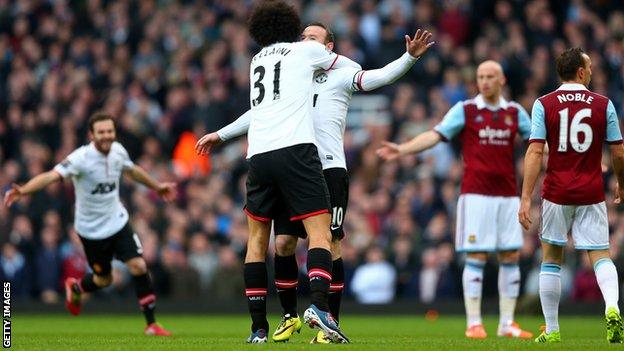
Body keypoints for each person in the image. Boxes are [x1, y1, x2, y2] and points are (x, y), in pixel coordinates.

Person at [197, 23, 433, 343]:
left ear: (329, 46)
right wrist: (222, 134)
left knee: (330, 242)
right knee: (283, 244)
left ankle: (328, 319)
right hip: (292, 167)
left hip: (329, 168)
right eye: (304, 37)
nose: (306, 41)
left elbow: (377, 77)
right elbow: (259, 112)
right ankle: (289, 316)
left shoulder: (342, 72)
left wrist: (409, 58)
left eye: (314, 38)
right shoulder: (293, 72)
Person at [197, 1, 359, 343]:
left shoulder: (258, 60)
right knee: (321, 234)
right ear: (292, 28)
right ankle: (318, 307)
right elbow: (349, 68)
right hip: (296, 152)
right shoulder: (305, 53)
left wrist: (222, 134)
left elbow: (259, 111)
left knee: (258, 243)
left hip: (258, 156)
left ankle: (258, 329)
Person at [377, 60, 533, 339]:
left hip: (508, 196)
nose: (484, 81)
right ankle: (474, 322)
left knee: (510, 254)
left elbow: (538, 145)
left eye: (490, 76)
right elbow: (434, 135)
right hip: (475, 195)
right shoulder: (466, 110)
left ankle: (507, 323)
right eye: (480, 76)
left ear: (502, 80)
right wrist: (402, 149)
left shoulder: (514, 113)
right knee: (477, 255)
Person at [3, 112, 176, 336]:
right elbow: (52, 176)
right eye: (101, 132)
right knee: (105, 279)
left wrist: (157, 186)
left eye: (110, 131)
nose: (106, 136)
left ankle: (151, 324)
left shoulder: (118, 151)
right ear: (91, 135)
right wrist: (24, 190)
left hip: (118, 221)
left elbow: (132, 171)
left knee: (139, 266)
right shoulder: (80, 158)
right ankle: (76, 286)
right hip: (91, 231)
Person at [519, 47, 624, 344]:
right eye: (589, 66)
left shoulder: (543, 104)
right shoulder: (603, 104)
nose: (591, 71)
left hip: (556, 192)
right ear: (580, 71)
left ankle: (552, 330)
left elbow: (535, 150)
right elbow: (618, 150)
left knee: (551, 258)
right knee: (600, 254)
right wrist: (621, 182)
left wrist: (526, 196)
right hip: (591, 191)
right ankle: (613, 307)